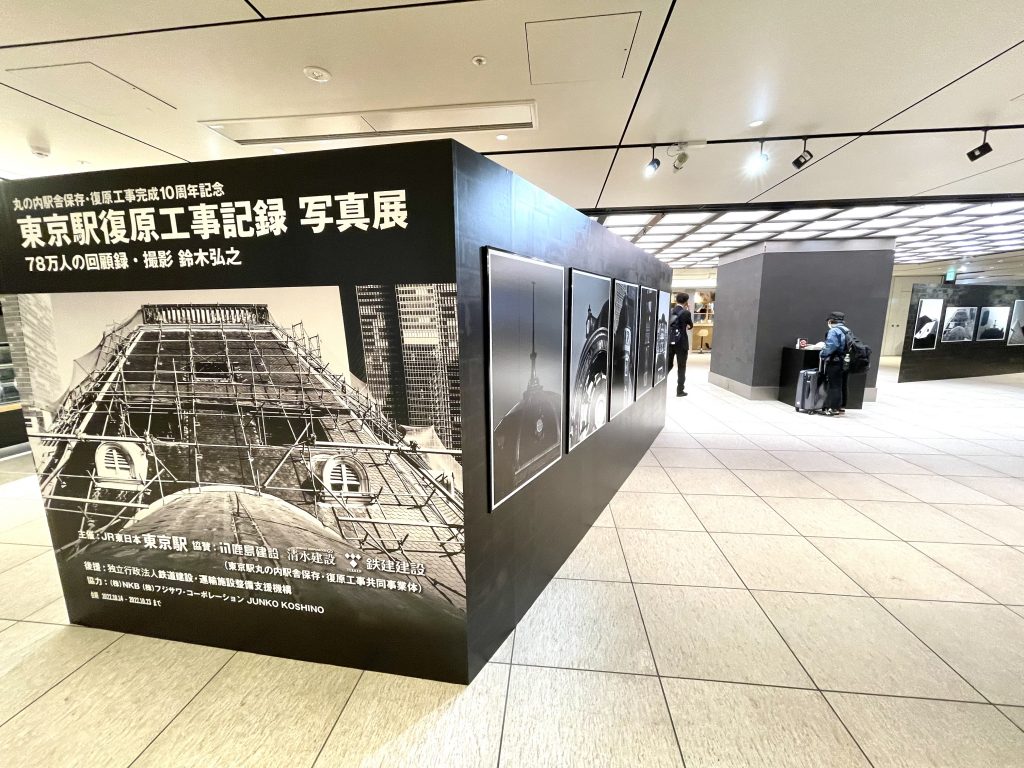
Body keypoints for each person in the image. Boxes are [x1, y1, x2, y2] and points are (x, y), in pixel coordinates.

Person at [819, 311, 850, 417]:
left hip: (835, 361)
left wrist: (822, 354)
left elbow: (831, 346)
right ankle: (841, 407)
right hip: (845, 361)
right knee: (842, 385)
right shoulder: (847, 330)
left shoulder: (834, 331)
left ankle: (833, 408)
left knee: (834, 385)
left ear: (831, 321)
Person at [668, 292, 693, 397]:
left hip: (670, 341)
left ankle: (658, 384)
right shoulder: (686, 313)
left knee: (668, 365)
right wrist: (688, 310)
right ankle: (680, 391)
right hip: (681, 343)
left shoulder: (670, 311)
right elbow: (690, 325)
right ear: (686, 301)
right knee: (681, 367)